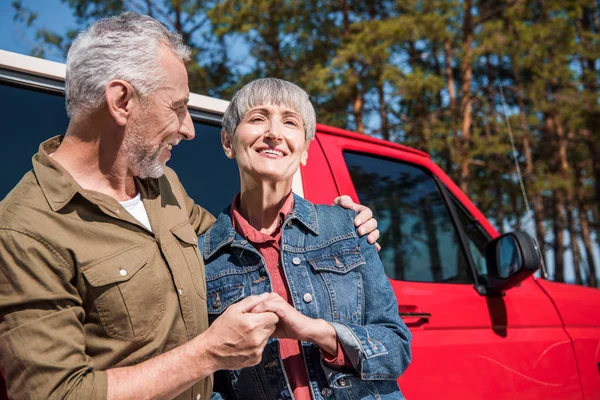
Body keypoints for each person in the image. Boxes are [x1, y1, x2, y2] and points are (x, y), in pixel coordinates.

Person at [0, 13, 380, 400]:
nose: (189, 128)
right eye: (178, 107)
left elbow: (234, 236)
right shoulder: (25, 230)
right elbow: (54, 394)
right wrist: (209, 352)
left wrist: (343, 225)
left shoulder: (163, 185)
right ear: (121, 101)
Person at [200, 78, 412, 400]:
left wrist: (314, 331)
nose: (274, 132)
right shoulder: (204, 256)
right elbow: (209, 385)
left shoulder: (349, 227)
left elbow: (397, 348)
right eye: (257, 118)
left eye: (290, 122)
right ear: (228, 142)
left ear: (304, 152)